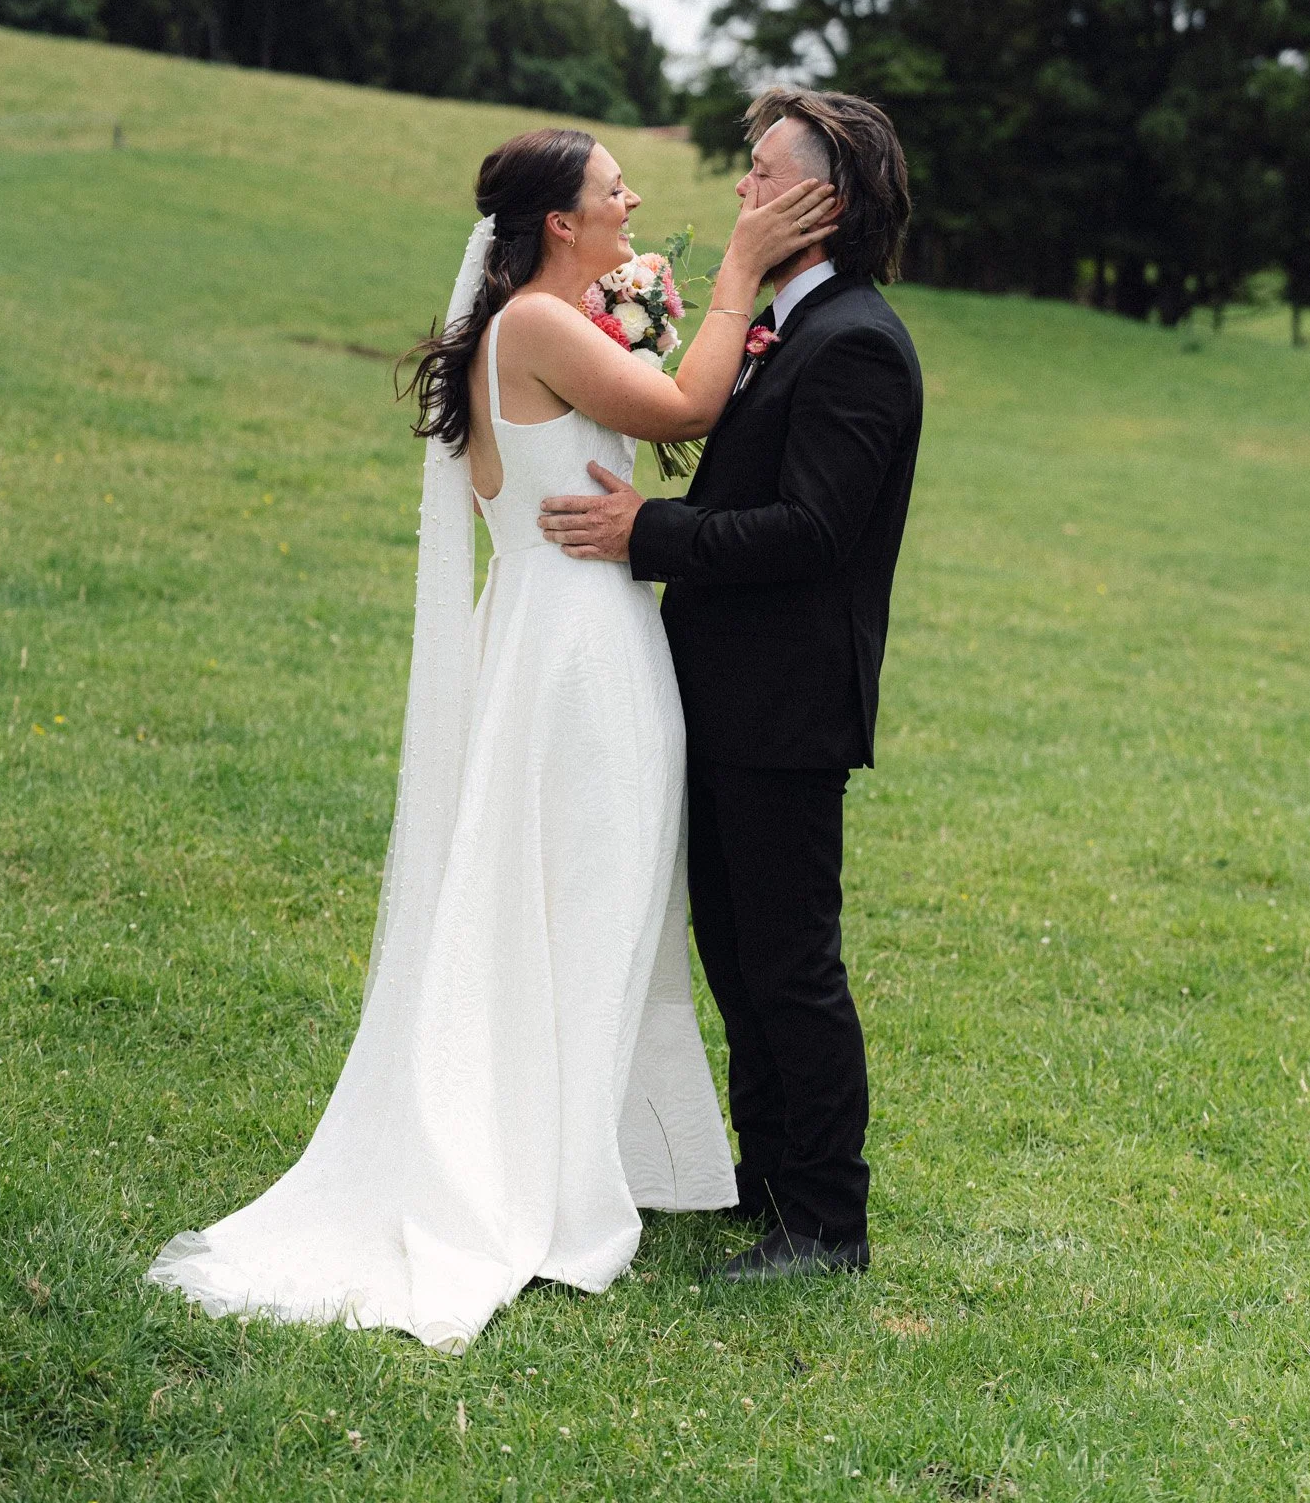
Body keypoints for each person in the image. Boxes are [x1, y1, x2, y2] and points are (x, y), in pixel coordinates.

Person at [146, 125, 836, 1351]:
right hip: (579, 652)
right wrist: (737, 271)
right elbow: (687, 405)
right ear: (561, 223)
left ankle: (588, 1144)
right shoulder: (536, 325)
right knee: (586, 900)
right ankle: (542, 1169)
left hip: (561, 634)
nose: (633, 198)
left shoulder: (539, 324)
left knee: (588, 901)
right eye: (613, 187)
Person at [539, 89, 922, 1281]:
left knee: (790, 962)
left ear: (824, 203)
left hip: (786, 706)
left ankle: (826, 1222)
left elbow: (811, 531)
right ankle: (769, 1179)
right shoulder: (785, 324)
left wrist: (648, 531)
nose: (741, 190)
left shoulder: (855, 341)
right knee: (736, 952)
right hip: (724, 692)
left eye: (763, 173)